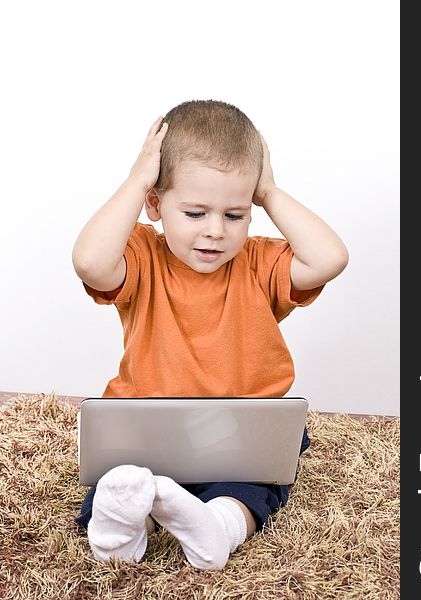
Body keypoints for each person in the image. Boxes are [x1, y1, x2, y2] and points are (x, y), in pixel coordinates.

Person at [72, 99, 349, 570]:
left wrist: (270, 192)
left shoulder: (260, 262)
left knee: (256, 484)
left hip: (239, 438)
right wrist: (138, 179)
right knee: (121, 482)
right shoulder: (141, 253)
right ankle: (122, 532)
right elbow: (91, 262)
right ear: (156, 205)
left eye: (235, 215)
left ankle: (218, 526)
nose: (216, 232)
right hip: (148, 429)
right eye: (196, 213)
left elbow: (330, 258)